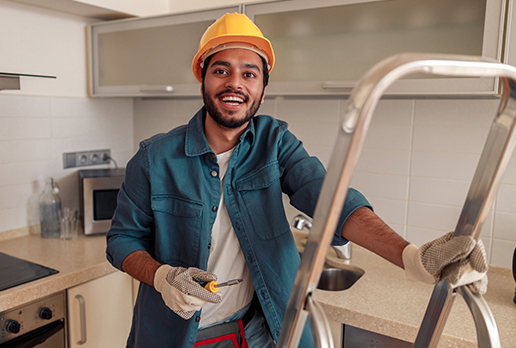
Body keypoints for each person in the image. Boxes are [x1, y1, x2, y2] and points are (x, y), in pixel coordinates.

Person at [106, 12, 487, 348]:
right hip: (178, 336)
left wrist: (410, 257)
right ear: (202, 78)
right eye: (221, 70)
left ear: (262, 87)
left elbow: (330, 199)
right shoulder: (155, 157)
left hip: (259, 331)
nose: (234, 83)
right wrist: (162, 277)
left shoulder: (275, 142)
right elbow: (122, 240)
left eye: (249, 73)